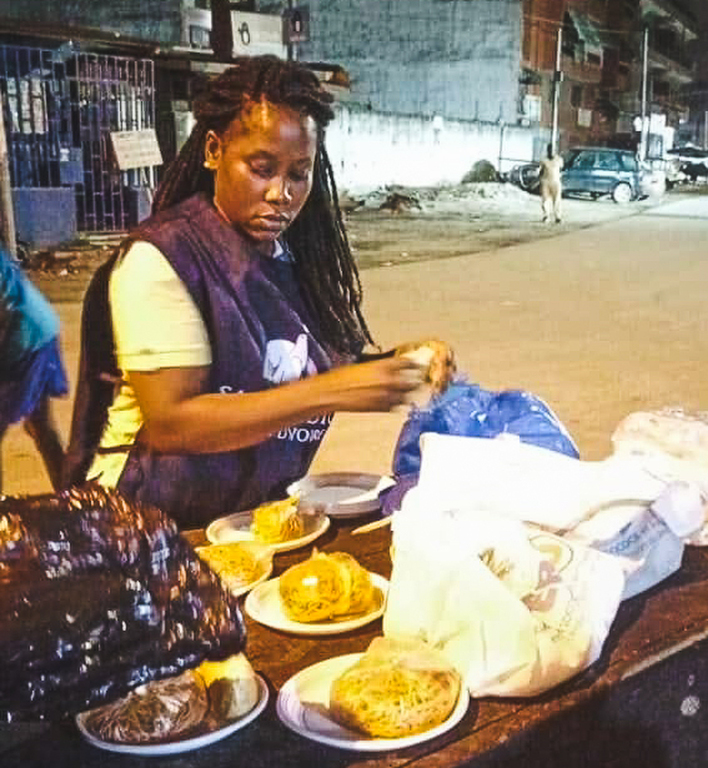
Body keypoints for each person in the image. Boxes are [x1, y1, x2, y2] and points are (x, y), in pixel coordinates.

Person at [65, 55, 454, 529]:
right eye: (261, 167)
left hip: (241, 517)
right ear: (213, 150)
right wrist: (326, 392)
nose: (281, 193)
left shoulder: (291, 258)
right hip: (143, 524)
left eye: (297, 173)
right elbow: (172, 422)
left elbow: (311, 363)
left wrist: (393, 365)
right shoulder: (162, 258)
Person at [0, 246, 68, 492]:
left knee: (41, 427)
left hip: (26, 339)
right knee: (41, 427)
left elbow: (3, 313)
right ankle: (70, 496)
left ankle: (71, 497)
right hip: (35, 330)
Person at [539, 144, 563, 224]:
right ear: (547, 150)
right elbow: (541, 171)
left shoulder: (559, 159)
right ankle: (546, 216)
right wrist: (540, 180)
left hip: (556, 182)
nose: (551, 151)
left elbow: (562, 169)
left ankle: (558, 217)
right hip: (546, 181)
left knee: (556, 200)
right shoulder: (544, 160)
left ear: (555, 151)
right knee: (545, 200)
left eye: (552, 150)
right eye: (549, 149)